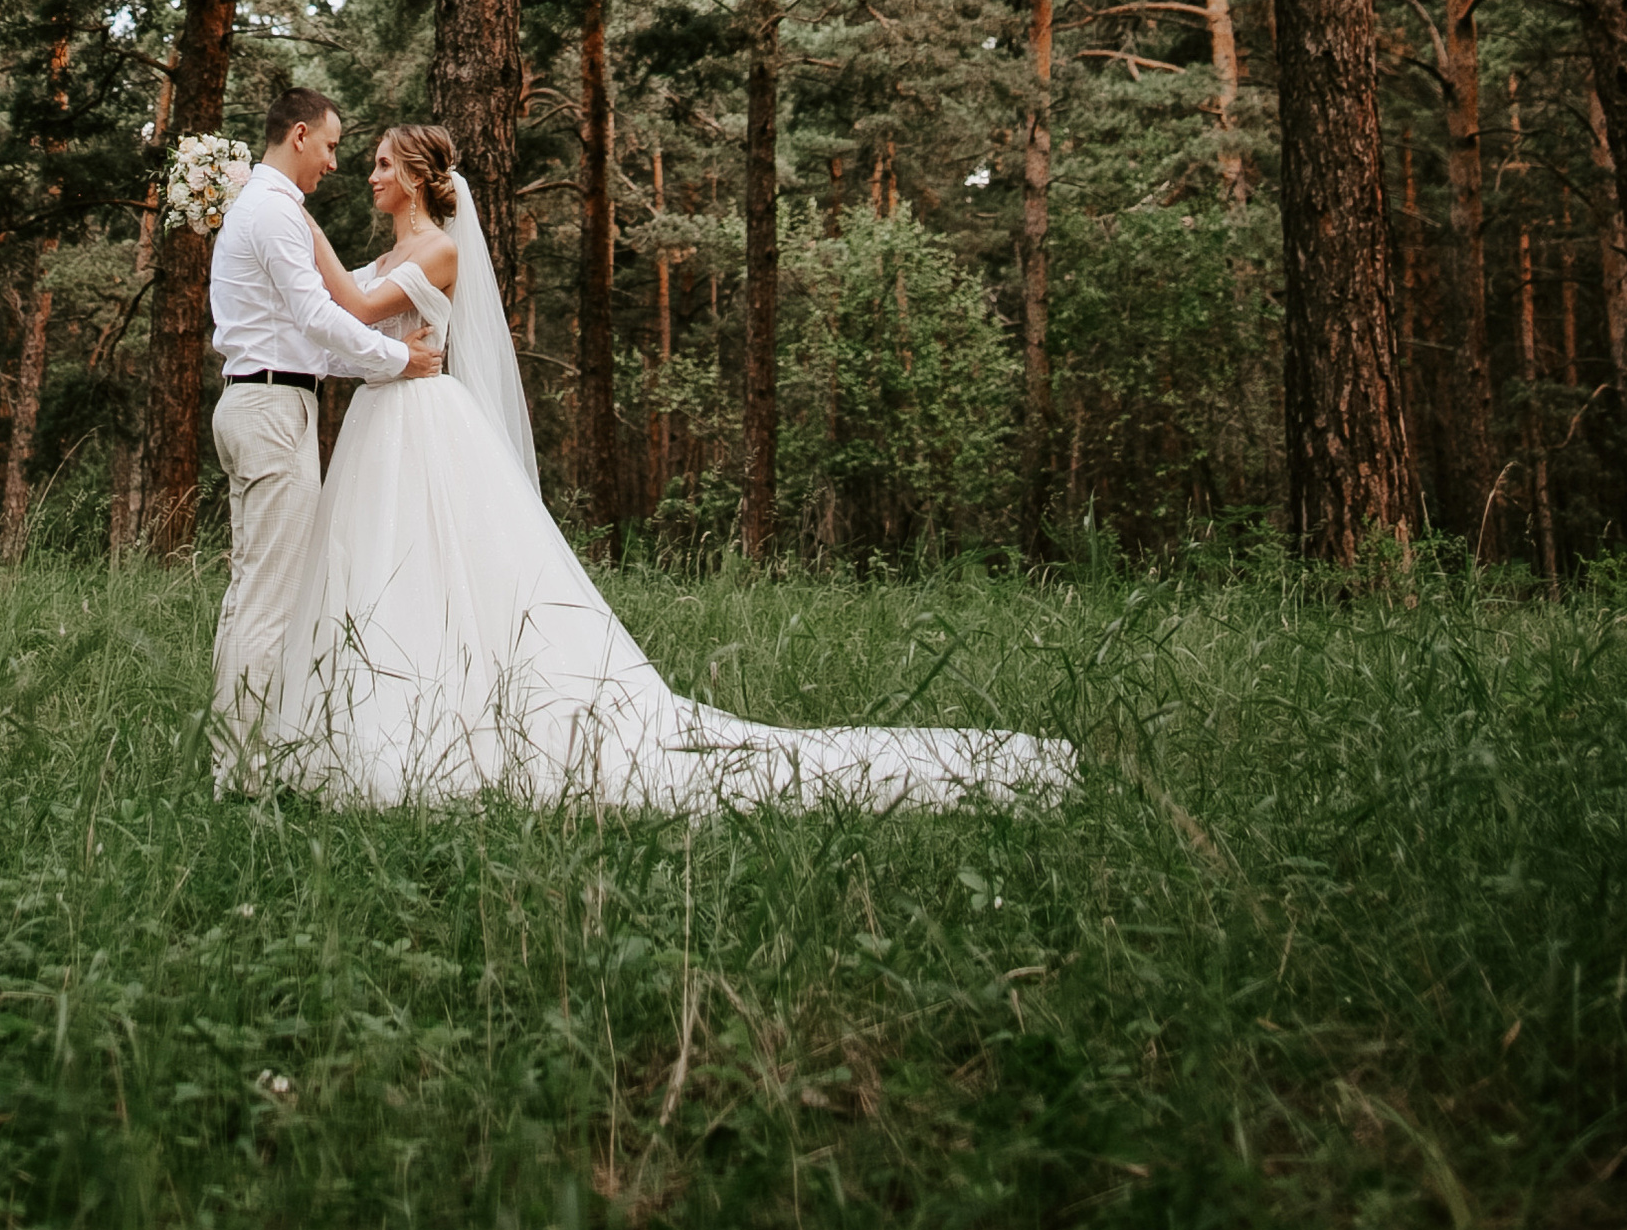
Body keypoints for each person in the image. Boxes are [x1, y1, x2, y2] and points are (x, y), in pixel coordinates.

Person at [268, 120, 1077, 812]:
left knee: (442, 567)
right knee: (385, 572)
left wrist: (290, 213)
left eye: (381, 165)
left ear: (415, 177)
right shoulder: (390, 251)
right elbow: (342, 308)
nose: (370, 177)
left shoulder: (439, 249)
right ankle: (376, 720)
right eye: (368, 162)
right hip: (384, 419)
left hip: (425, 424)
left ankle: (449, 729)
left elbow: (359, 307)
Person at [206, 85, 439, 787]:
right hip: (271, 411)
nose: (336, 163)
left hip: (269, 398)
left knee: (251, 590)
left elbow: (308, 343)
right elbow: (315, 317)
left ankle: (227, 754)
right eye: (334, 146)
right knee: (269, 598)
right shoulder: (275, 212)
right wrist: (400, 358)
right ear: (300, 134)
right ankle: (240, 773)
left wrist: (380, 370)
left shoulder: (270, 208)